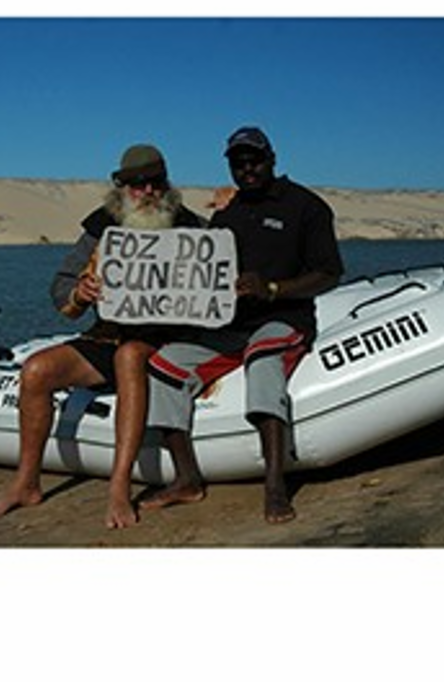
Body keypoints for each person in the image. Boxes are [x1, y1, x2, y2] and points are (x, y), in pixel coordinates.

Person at [0, 144, 203, 528]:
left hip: (162, 342)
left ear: (166, 184)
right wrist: (80, 293)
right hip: (106, 336)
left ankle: (119, 487)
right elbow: (61, 287)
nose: (148, 192)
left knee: (129, 356)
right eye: (138, 185)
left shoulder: (194, 229)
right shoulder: (101, 227)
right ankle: (26, 483)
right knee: (36, 371)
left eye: (155, 183)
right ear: (123, 188)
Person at [142, 126, 344, 523]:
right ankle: (187, 479)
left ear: (272, 159)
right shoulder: (228, 213)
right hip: (230, 325)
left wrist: (272, 289)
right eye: (238, 163)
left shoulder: (307, 206)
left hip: (285, 317)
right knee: (164, 366)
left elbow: (329, 273)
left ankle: (275, 486)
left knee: (263, 358)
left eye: (255, 160)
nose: (247, 169)